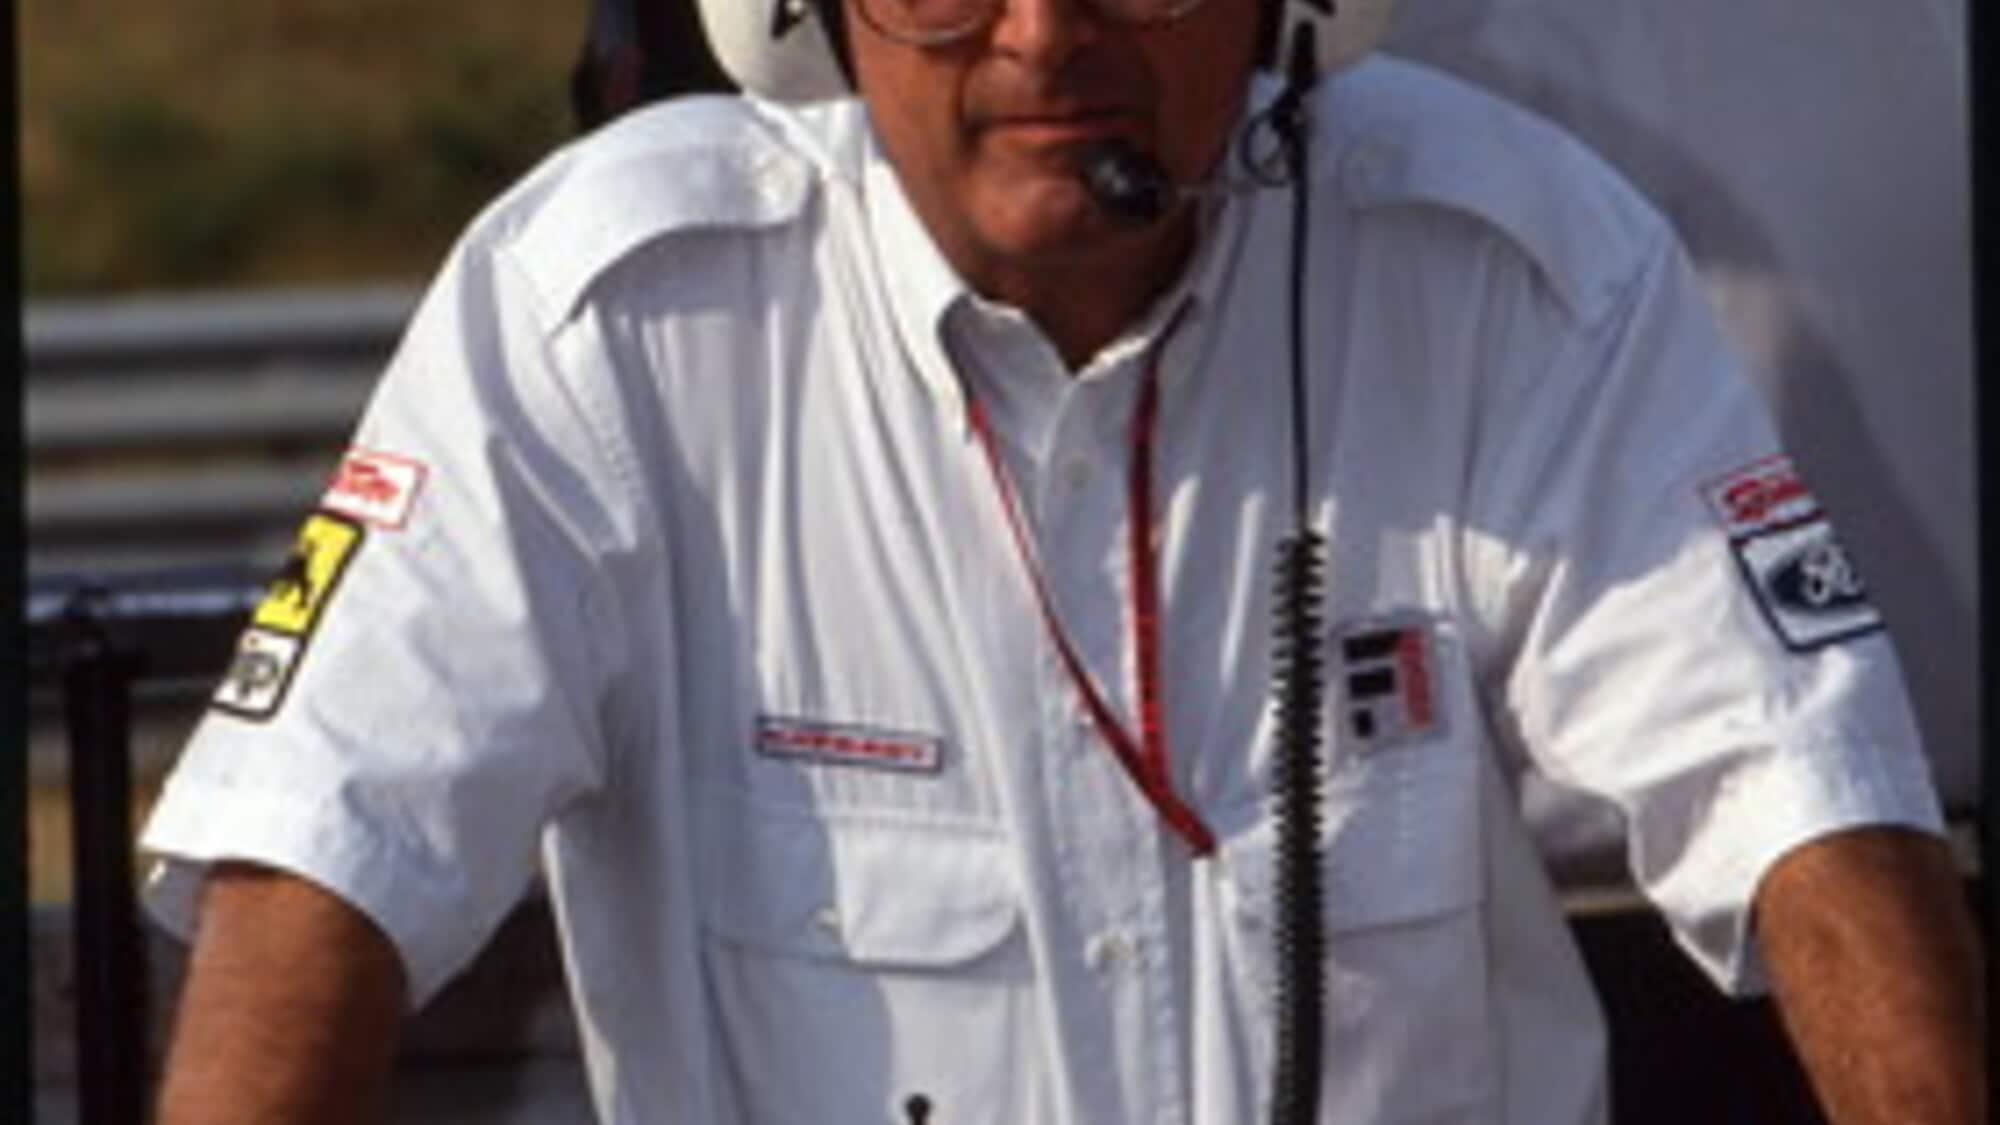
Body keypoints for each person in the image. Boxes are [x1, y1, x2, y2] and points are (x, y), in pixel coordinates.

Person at [143, 0, 1983, 1121]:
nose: (1040, 38)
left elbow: (1799, 794)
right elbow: (330, 857)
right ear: (805, 16)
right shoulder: (598, 318)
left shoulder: (1514, 264)